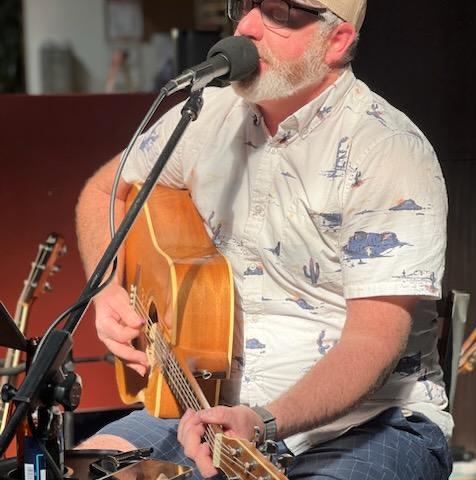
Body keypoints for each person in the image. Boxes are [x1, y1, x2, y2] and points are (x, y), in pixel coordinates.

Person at [75, 0, 453, 478]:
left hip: (369, 423)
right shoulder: (207, 116)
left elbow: (371, 340)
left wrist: (264, 421)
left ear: (336, 42)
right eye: (245, 5)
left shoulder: (387, 150)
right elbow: (105, 190)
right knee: (84, 468)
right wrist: (107, 289)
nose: (247, 27)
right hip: (207, 408)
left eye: (279, 13)